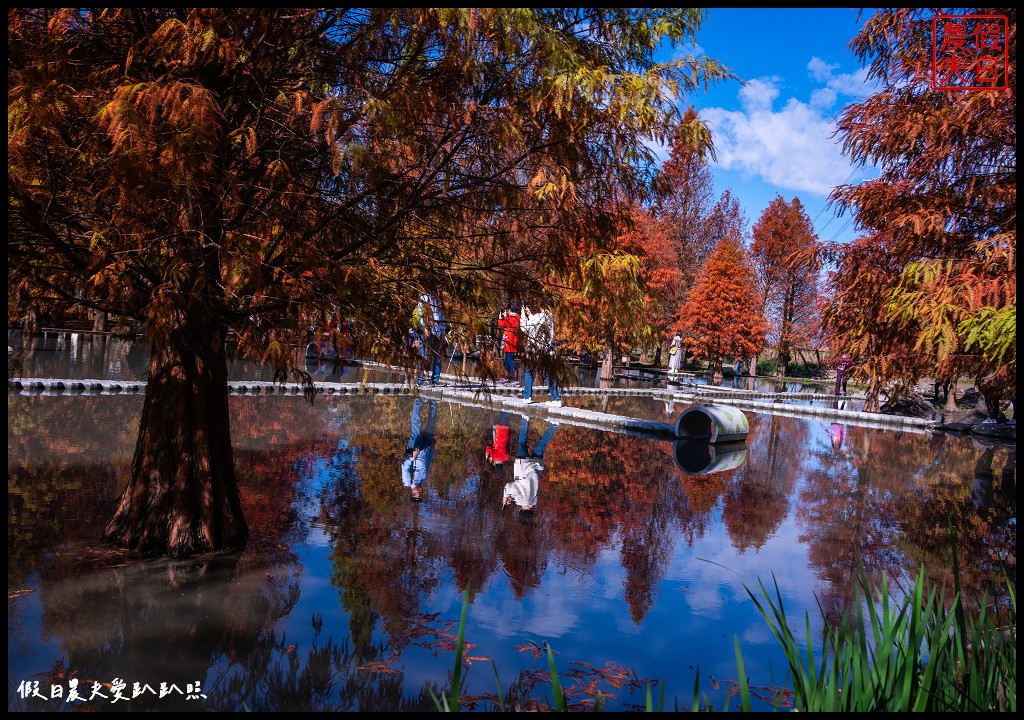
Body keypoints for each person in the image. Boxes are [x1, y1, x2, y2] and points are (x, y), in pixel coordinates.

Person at [505, 416, 559, 520]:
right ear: (520, 511)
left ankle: (553, 426)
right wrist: (506, 496)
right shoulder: (520, 501)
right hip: (523, 466)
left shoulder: (534, 501)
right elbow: (510, 486)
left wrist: (512, 496)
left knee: (541, 445)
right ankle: (525, 419)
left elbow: (525, 488)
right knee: (522, 442)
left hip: (536, 466)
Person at [520, 295, 561, 406]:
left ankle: (527, 397)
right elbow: (538, 324)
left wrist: (523, 314)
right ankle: (556, 398)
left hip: (534, 351)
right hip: (547, 351)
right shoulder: (551, 318)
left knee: (529, 373)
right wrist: (530, 314)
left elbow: (524, 327)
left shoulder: (539, 317)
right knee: (549, 375)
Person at [401, 397, 438, 501]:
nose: (421, 492)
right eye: (421, 494)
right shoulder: (422, 479)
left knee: (416, 426)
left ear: (413, 493)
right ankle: (433, 403)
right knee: (431, 426)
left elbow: (404, 467)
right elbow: (428, 462)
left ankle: (418, 401)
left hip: (415, 449)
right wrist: (432, 450)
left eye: (418, 494)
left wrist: (413, 457)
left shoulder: (407, 481)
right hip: (426, 448)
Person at [413, 292, 448, 385]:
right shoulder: (424, 298)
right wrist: (424, 327)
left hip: (438, 331)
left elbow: (442, 316)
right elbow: (420, 314)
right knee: (423, 355)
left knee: (438, 355)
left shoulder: (440, 300)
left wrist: (443, 331)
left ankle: (435, 379)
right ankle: (420, 379)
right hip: (427, 331)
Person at [496, 305, 521, 385]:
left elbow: (501, 324)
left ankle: (514, 378)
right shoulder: (518, 318)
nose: (507, 312)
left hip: (509, 340)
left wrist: (500, 317)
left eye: (507, 311)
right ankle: (506, 377)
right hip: (514, 340)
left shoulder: (509, 318)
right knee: (507, 359)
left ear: (510, 310)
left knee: (510, 360)